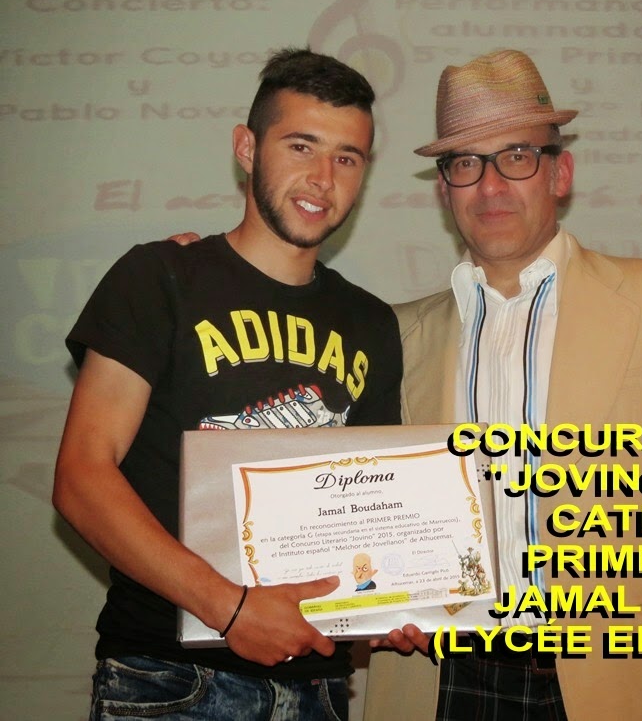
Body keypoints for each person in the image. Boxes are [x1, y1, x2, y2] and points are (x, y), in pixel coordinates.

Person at [363, 50, 642, 721]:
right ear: (445, 189)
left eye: (516, 157)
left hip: (612, 685)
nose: (490, 186)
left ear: (560, 173)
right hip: (442, 681)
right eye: (466, 163)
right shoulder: (398, 330)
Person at [53, 48, 402, 720]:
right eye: (300, 146)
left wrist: (399, 601)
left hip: (321, 687)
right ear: (247, 148)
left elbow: (371, 507)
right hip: (172, 681)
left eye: (347, 158)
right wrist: (230, 608)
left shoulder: (372, 323)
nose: (322, 178)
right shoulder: (160, 277)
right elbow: (82, 476)